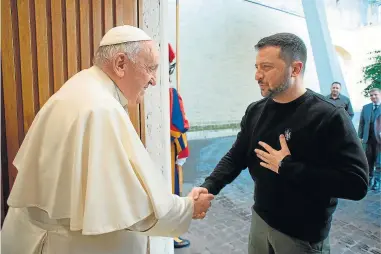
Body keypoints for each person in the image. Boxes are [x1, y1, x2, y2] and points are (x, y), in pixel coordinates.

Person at [1, 25, 214, 254]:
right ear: (120, 64)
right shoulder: (101, 108)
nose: (153, 80)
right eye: (150, 68)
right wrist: (188, 207)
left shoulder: (80, 86)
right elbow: (135, 206)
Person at [192, 33, 368, 254]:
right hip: (260, 222)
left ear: (295, 69)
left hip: (302, 236)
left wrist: (287, 167)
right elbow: (237, 155)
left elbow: (357, 184)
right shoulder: (256, 110)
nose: (257, 75)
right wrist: (209, 186)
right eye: (256, 67)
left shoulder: (328, 116)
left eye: (266, 67)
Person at [168, 43, 192, 248]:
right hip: (168, 152)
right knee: (173, 189)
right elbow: (179, 125)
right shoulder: (169, 93)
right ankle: (172, 235)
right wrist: (183, 150)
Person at [359, 88, 381, 192]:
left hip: (379, 140)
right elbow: (362, 123)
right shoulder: (366, 107)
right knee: (368, 160)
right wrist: (360, 136)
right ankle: (368, 179)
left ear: (379, 95)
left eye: (375, 95)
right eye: (371, 95)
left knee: (379, 161)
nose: (373, 97)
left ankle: (377, 181)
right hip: (368, 138)